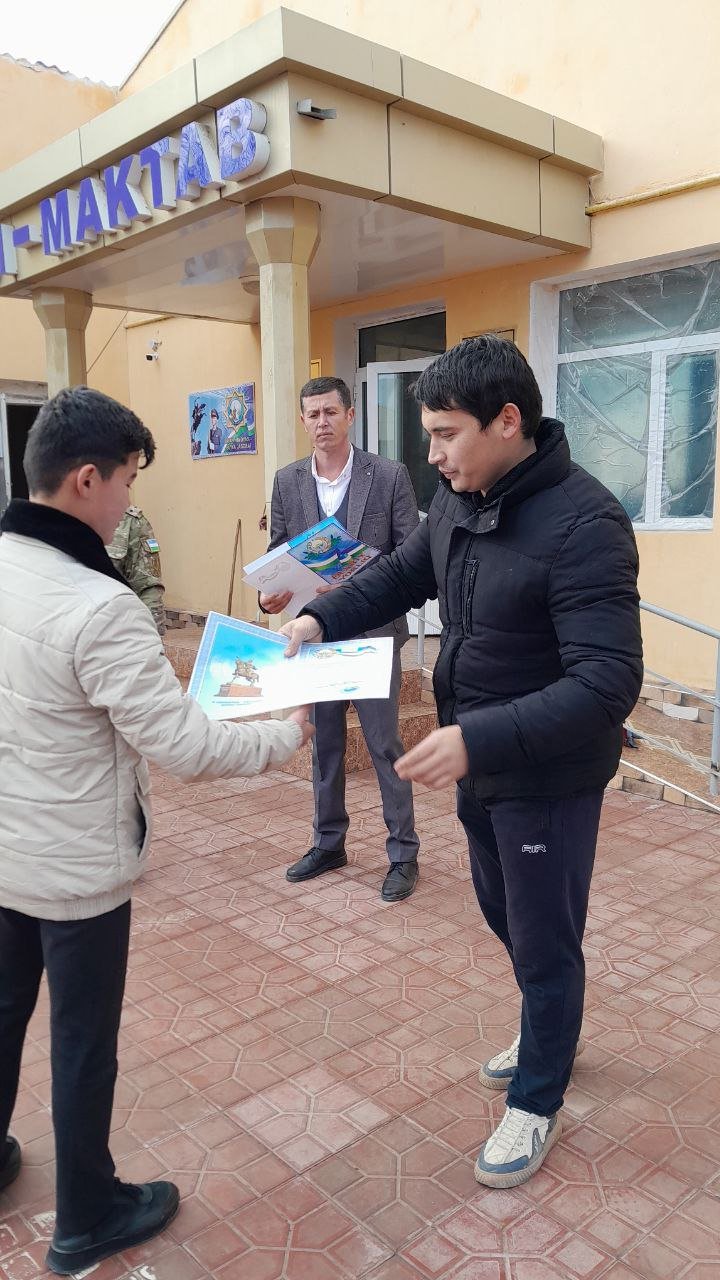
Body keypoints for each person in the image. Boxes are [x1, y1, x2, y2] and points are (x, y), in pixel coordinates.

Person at [281, 338, 643, 1187]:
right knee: (503, 913)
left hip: (546, 775)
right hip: (476, 762)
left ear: (507, 421)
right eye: (430, 437)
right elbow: (397, 578)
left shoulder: (586, 524)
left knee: (545, 940)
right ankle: (550, 1021)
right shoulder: (458, 500)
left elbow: (607, 683)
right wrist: (319, 620)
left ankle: (538, 1097)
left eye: (447, 435)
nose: (434, 455)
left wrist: (478, 738)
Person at [0, 386, 313, 1275]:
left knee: (4, 1012)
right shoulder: (100, 606)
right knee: (81, 1042)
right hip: (78, 870)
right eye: (128, 481)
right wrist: (279, 739)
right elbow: (180, 744)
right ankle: (87, 1215)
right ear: (85, 480)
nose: (130, 501)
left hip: (8, 848)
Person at [261, 375, 422, 902]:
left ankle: (403, 853)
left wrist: (356, 581)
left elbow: (410, 558)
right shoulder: (287, 481)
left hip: (373, 633)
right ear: (303, 420)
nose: (322, 422)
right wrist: (271, 597)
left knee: (384, 744)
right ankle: (328, 843)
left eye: (331, 412)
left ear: (350, 415)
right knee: (325, 744)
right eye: (313, 414)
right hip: (316, 635)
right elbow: (279, 555)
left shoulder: (389, 475)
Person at [106, 505, 167, 634]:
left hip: (115, 633)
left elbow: (149, 588)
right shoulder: (61, 519)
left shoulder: (131, 522)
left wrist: (149, 637)